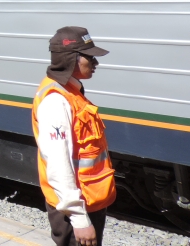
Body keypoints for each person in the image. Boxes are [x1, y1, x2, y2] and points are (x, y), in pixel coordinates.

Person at [32, 27, 116, 246]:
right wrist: (79, 219)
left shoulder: (71, 93)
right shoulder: (56, 101)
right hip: (75, 210)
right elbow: (58, 163)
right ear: (71, 59)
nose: (95, 63)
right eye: (90, 57)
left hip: (87, 201)